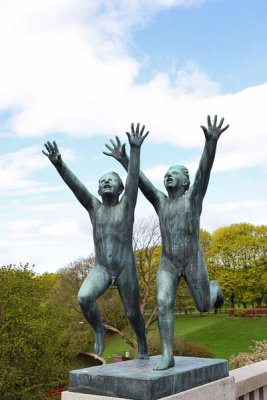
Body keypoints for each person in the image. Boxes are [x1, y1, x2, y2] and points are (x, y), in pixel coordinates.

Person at [104, 115, 229, 370]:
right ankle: (168, 355)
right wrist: (125, 159)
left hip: (192, 260)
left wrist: (210, 143)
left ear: (185, 181)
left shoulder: (193, 198)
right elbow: (142, 182)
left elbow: (204, 171)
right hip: (168, 262)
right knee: (162, 302)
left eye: (174, 174)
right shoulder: (161, 202)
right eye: (166, 174)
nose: (168, 177)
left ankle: (213, 288)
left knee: (204, 304)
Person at [42, 123, 149, 358]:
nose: (105, 183)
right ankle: (98, 328)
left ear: (121, 189)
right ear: (98, 191)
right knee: (83, 297)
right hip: (101, 268)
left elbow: (133, 179)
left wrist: (135, 150)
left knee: (132, 314)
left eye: (111, 180)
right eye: (102, 182)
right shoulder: (94, 207)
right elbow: (75, 186)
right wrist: (59, 164)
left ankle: (142, 342)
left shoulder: (127, 205)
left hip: (125, 269)